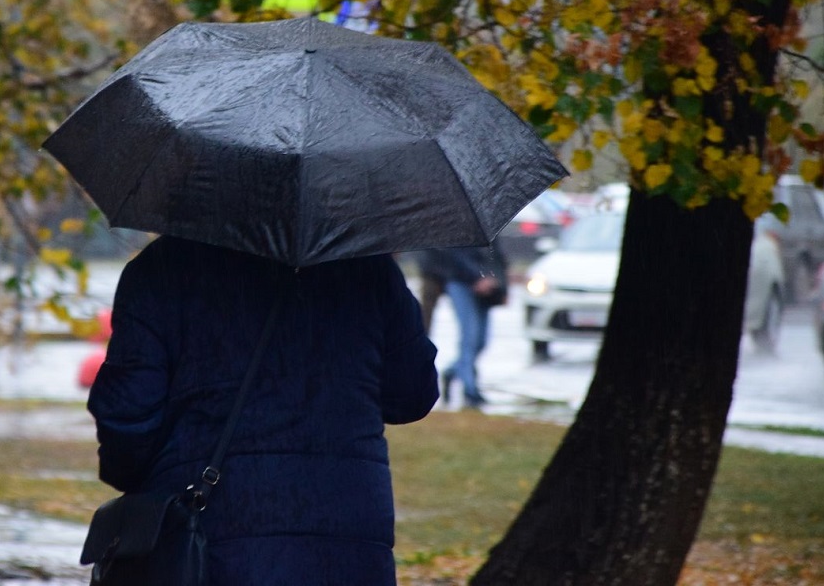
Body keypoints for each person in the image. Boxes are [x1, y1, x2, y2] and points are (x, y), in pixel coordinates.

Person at [87, 236, 439, 585]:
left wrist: (135, 477)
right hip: (348, 526)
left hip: (211, 528)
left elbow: (127, 412)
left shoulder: (163, 266)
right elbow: (411, 394)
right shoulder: (368, 268)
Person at [429, 242, 508, 410]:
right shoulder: (457, 224)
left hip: (488, 286)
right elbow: (453, 255)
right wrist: (477, 278)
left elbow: (497, 257)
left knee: (481, 341)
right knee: (469, 338)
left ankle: (452, 372)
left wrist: (500, 284)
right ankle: (471, 391)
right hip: (461, 283)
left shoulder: (488, 224)